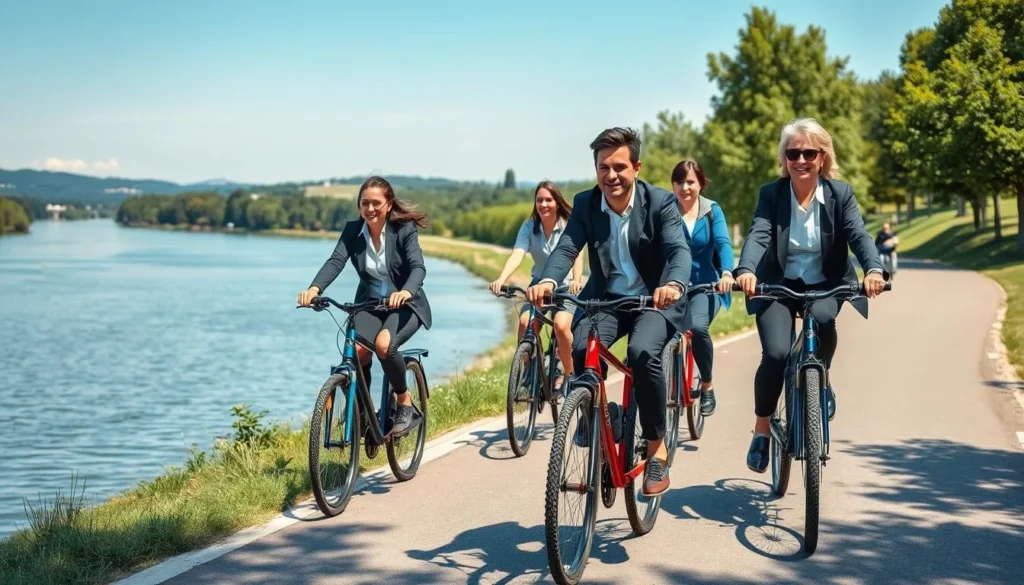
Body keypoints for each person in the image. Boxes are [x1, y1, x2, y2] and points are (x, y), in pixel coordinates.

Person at [527, 127, 690, 497]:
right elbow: (567, 249)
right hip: (609, 300)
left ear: (636, 167)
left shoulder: (660, 202)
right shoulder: (586, 203)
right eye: (603, 167)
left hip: (654, 300)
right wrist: (549, 281)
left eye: (619, 166)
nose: (611, 175)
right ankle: (606, 419)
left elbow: (679, 251)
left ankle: (656, 448)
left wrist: (674, 285)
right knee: (582, 348)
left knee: (642, 352)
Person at [733, 118, 885, 474]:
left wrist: (873, 269)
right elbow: (758, 234)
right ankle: (761, 430)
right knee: (776, 353)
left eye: (808, 153)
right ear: (785, 159)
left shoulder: (840, 194)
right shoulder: (771, 194)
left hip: (825, 283)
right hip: (777, 284)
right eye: (793, 153)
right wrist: (746, 270)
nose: (800, 159)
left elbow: (858, 235)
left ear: (822, 157)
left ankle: (822, 378)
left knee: (825, 318)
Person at [297, 176, 432, 436]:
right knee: (356, 351)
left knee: (383, 345)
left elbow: (418, 267)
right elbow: (336, 261)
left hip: (405, 305)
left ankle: (404, 402)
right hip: (370, 305)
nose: (370, 209)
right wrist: (315, 289)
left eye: (376, 203)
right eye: (364, 203)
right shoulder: (352, 231)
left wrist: (405, 291)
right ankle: (363, 415)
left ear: (389, 205)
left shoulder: (404, 230)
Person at [489, 181, 585, 389]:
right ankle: (530, 369)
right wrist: (502, 278)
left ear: (557, 202)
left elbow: (576, 253)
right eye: (539, 200)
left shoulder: (569, 223)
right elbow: (518, 253)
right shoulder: (529, 226)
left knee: (560, 326)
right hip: (538, 285)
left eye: (548, 200)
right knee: (525, 323)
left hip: (565, 287)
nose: (543, 204)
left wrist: (577, 279)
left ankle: (570, 378)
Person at [670, 159, 735, 417]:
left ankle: (707, 384)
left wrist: (727, 273)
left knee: (697, 328)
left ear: (700, 183)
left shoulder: (711, 210)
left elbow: (723, 243)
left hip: (706, 285)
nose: (684, 187)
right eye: (679, 182)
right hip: (671, 286)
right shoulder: (665, 210)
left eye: (690, 182)